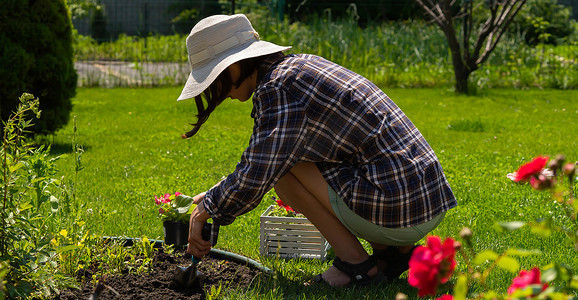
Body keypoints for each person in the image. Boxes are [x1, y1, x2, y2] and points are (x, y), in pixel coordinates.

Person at [179, 14, 457, 287]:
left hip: (399, 208)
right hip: (423, 199)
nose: (217, 91)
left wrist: (208, 208)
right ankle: (392, 254)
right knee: (282, 162)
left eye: (215, 77)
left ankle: (355, 265)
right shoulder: (300, 67)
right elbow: (262, 161)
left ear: (234, 66)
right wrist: (220, 193)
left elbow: (260, 171)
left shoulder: (278, 88)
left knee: (283, 173)